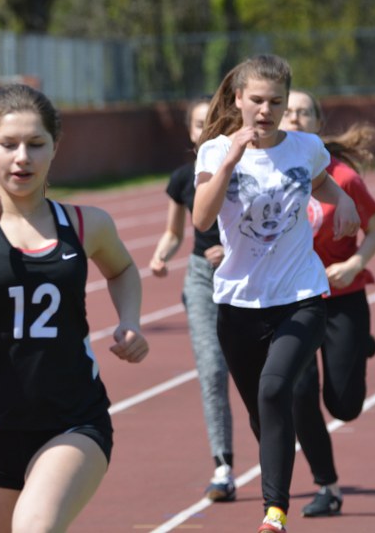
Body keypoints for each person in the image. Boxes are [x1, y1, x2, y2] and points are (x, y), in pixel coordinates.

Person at [0, 84, 150, 532]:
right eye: (8, 144)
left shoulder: (85, 224)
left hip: (72, 420)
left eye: (35, 144)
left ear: (54, 147)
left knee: (35, 527)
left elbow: (122, 270)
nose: (22, 157)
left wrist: (130, 321)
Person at [192, 54, 360, 533]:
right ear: (239, 99)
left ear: (286, 104)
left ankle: (274, 513)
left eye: (276, 102)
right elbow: (202, 219)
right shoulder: (214, 152)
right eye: (257, 100)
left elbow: (321, 182)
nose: (266, 110)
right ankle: (277, 463)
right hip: (238, 304)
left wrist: (343, 200)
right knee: (263, 414)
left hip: (300, 296)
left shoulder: (306, 147)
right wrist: (231, 159)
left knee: (275, 389)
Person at [280, 89, 375, 517]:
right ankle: (327, 485)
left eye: (304, 112)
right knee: (299, 391)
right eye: (288, 111)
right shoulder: (266, 175)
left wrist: (355, 262)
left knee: (344, 406)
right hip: (293, 301)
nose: (295, 118)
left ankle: (359, 345)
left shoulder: (343, 178)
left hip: (342, 298)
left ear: (317, 124)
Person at [149, 96, 236, 502]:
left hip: (250, 279)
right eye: (201, 123)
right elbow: (174, 232)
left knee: (263, 377)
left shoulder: (245, 171)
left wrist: (232, 251)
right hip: (202, 280)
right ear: (190, 131)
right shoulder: (183, 178)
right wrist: (161, 256)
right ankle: (223, 466)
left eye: (216, 121)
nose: (208, 129)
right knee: (212, 370)